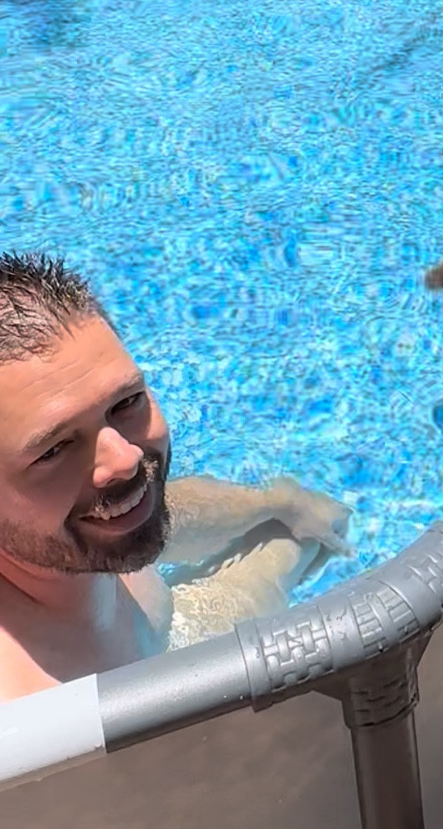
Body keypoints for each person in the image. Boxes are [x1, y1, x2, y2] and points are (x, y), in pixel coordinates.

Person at [0, 252, 352, 703]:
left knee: (314, 529)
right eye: (54, 449)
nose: (124, 460)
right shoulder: (33, 715)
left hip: (167, 625)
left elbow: (171, 511)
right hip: (158, 684)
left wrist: (281, 503)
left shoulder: (73, 532)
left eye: (126, 403)